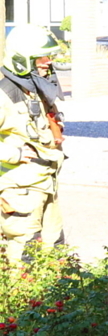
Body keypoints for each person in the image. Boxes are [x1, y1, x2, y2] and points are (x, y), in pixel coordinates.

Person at [0, 25, 66, 263]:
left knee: (56, 248)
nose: (48, 63)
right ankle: (22, 300)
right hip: (20, 189)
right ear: (21, 60)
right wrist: (14, 153)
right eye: (42, 57)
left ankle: (58, 297)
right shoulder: (4, 94)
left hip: (45, 182)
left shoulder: (33, 88)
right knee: (25, 253)